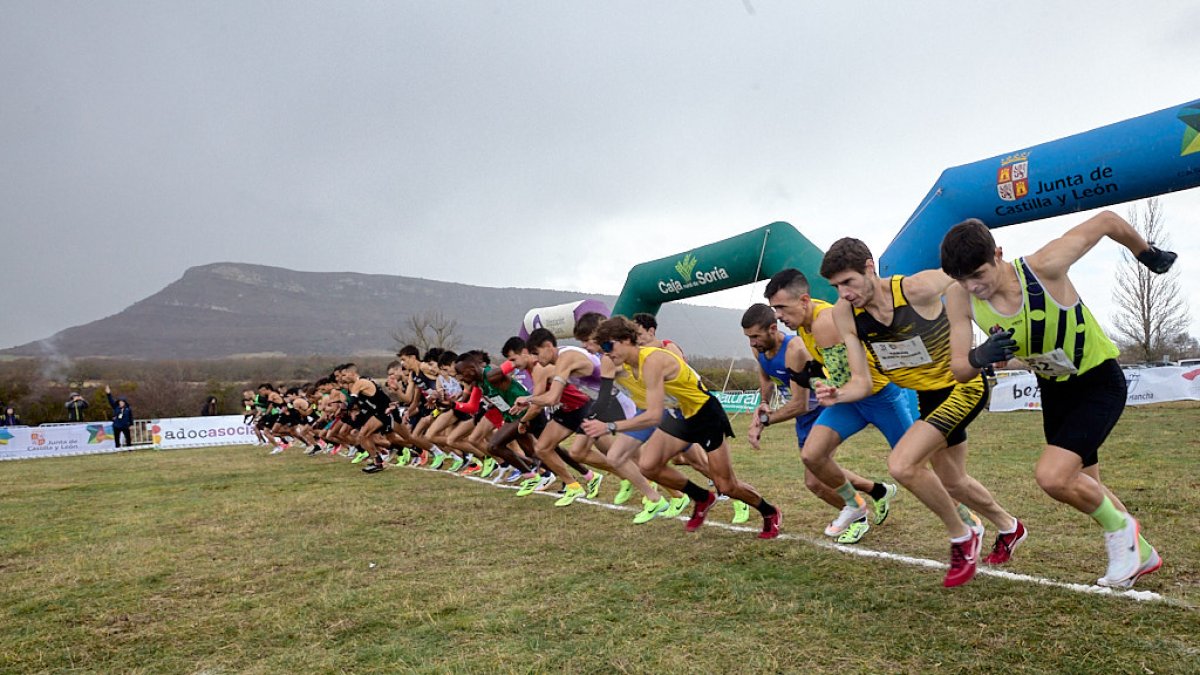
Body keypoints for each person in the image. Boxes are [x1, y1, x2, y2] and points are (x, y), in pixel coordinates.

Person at [939, 213, 1174, 588]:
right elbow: (958, 369)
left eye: (979, 274)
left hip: (1098, 380)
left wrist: (1146, 253)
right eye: (962, 280)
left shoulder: (1044, 266)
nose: (973, 287)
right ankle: (1140, 552)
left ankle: (1125, 536)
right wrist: (980, 355)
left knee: (1052, 476)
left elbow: (1108, 222)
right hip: (1054, 388)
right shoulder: (959, 297)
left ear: (998, 254)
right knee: (1086, 485)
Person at [817, 237, 1022, 587]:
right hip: (928, 395)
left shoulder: (918, 288)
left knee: (902, 464)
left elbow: (968, 275)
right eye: (836, 287)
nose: (844, 293)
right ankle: (1010, 527)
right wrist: (838, 394)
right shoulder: (844, 313)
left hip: (962, 386)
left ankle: (962, 537)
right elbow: (861, 383)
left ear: (870, 267)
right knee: (953, 481)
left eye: (848, 282)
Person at [584, 316, 783, 539]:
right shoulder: (624, 364)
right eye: (603, 349)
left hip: (705, 414)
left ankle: (769, 511)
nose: (607, 353)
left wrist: (609, 426)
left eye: (609, 346)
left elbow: (652, 416)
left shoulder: (651, 361)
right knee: (648, 466)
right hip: (680, 415)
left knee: (726, 485)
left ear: (627, 339)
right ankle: (701, 497)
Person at [747, 291, 906, 545]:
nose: (753, 342)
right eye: (749, 337)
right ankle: (877, 491)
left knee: (816, 480)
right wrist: (763, 403)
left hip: (824, 407)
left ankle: (859, 516)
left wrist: (765, 423)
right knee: (820, 469)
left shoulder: (797, 346)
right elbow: (766, 378)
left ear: (772, 328)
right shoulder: (764, 348)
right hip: (819, 410)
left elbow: (800, 403)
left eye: (756, 336)